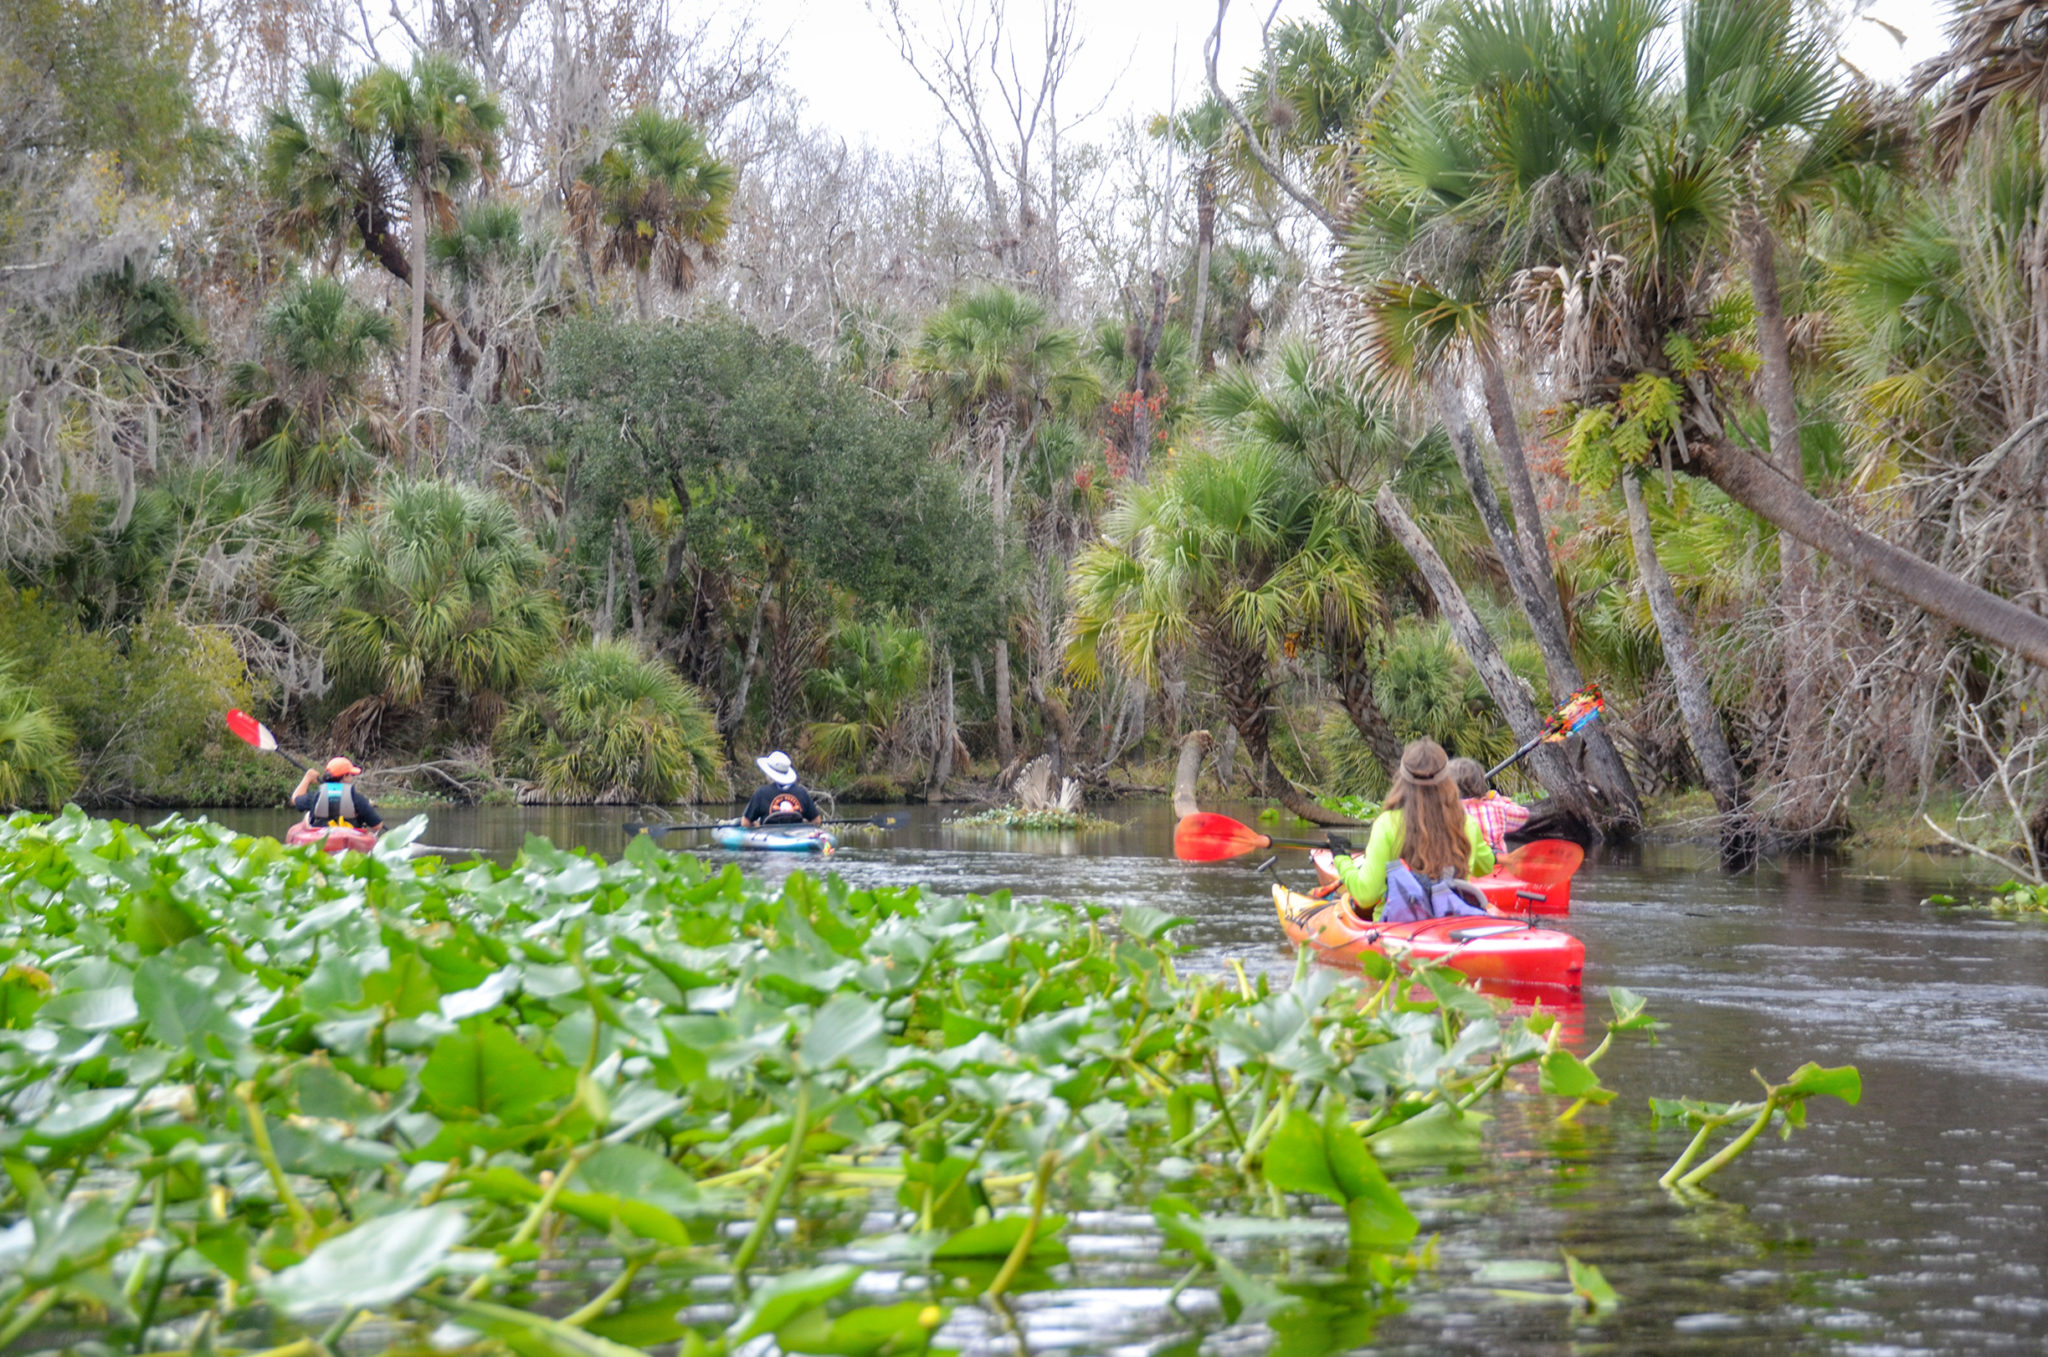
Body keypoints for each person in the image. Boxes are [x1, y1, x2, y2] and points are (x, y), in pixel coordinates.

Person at [1332, 739, 1496, 921]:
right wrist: (1491, 853)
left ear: (1402, 779)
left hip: (1396, 930)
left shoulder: (1387, 824)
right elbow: (1486, 865)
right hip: (1451, 927)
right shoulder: (1467, 824)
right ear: (1447, 780)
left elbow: (1365, 896)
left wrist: (1342, 859)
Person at [1449, 756, 1530, 856]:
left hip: (1463, 869)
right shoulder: (1496, 809)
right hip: (1498, 869)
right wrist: (1496, 798)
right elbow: (1523, 815)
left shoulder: (1444, 815)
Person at [292, 757, 383, 831]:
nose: (352, 778)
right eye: (351, 775)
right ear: (344, 777)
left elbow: (295, 799)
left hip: (321, 837)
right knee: (369, 833)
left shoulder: (316, 796)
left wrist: (307, 778)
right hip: (349, 838)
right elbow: (377, 826)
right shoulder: (357, 799)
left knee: (307, 817)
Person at [741, 750, 822, 827]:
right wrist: (802, 824)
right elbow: (816, 821)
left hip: (768, 838)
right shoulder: (801, 792)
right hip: (796, 837)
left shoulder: (761, 793)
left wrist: (756, 825)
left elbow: (745, 823)